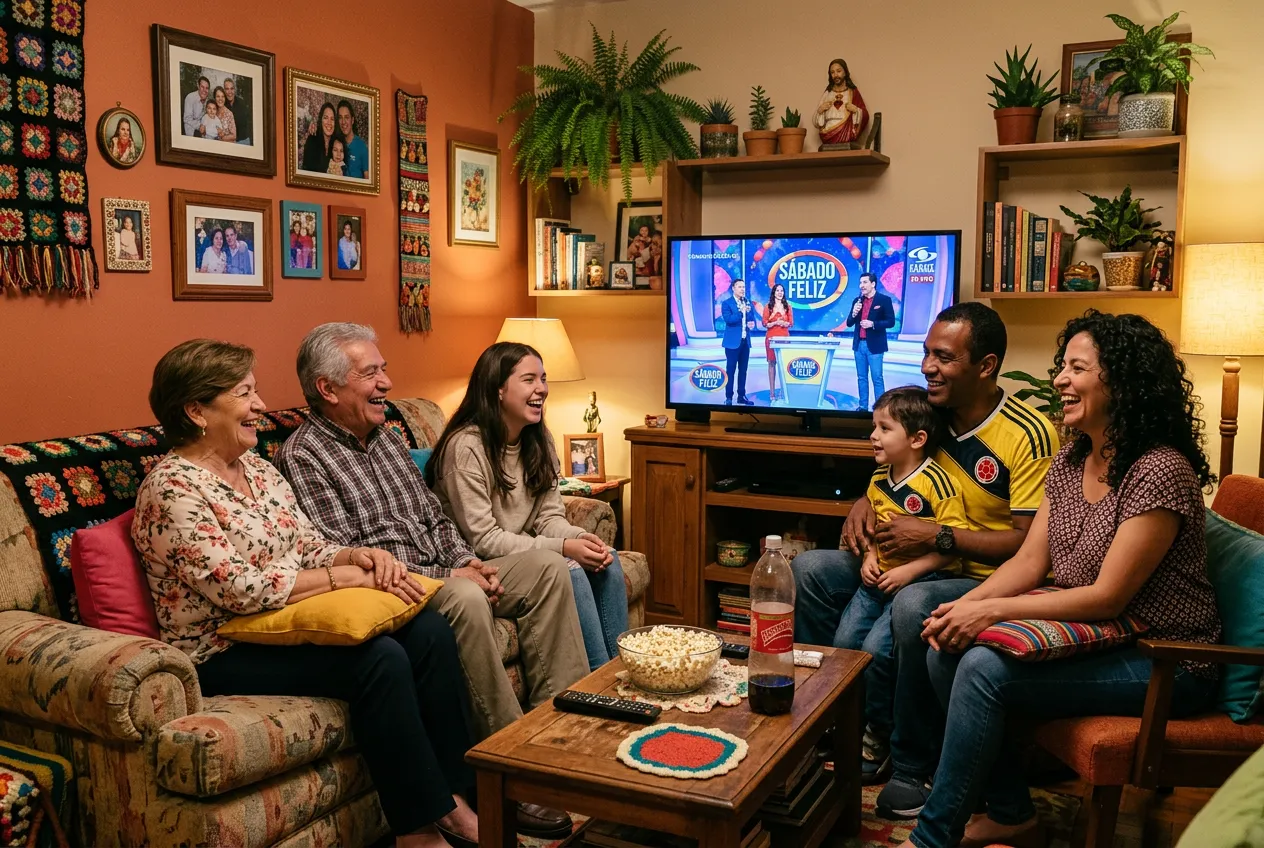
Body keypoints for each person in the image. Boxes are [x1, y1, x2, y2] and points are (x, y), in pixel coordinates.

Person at [132, 339, 479, 848]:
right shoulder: (171, 489)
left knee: (427, 630)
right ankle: (418, 830)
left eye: (255, 392)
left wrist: (355, 556)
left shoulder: (259, 470)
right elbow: (240, 589)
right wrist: (343, 579)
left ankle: (460, 795)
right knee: (378, 659)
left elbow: (307, 543)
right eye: (244, 394)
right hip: (222, 647)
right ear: (195, 410)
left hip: (285, 623)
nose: (260, 406)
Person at [896, 311, 1221, 848]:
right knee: (945, 647)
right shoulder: (1071, 459)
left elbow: (1107, 596)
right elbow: (1029, 563)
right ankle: (1009, 813)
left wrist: (990, 612)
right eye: (1061, 367)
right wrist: (961, 610)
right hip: (1098, 636)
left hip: (1164, 656)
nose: (1060, 380)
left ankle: (931, 837)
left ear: (1122, 380)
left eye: (1077, 368)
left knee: (980, 667)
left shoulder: (1159, 470)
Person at [275, 323, 585, 840]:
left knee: (550, 568)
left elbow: (437, 518)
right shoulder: (304, 457)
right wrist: (453, 574)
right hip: (392, 591)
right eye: (371, 373)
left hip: (447, 568)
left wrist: (471, 560)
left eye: (384, 370)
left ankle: (561, 735)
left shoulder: (388, 438)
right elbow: (356, 560)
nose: (387, 384)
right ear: (327, 389)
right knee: (464, 596)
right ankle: (514, 764)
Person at [791, 303, 1057, 810]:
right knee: (811, 569)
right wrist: (862, 503)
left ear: (986, 365)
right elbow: (892, 472)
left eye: (944, 357)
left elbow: (1028, 542)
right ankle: (821, 719)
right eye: (926, 354)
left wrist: (938, 538)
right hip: (903, 555)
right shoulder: (926, 413)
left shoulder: (1028, 433)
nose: (928, 367)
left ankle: (910, 762)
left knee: (914, 605)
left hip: (981, 575)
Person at [429, 342, 630, 673]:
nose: (542, 389)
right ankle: (595, 685)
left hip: (527, 555)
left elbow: (549, 516)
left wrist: (581, 538)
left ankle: (620, 674)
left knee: (607, 560)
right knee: (571, 570)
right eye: (529, 379)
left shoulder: (539, 438)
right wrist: (564, 549)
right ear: (497, 389)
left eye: (544, 378)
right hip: (482, 564)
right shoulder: (466, 447)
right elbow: (484, 540)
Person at [840, 387, 969, 785]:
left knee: (876, 655)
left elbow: (952, 546)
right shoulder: (879, 478)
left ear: (917, 439)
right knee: (844, 647)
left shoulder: (939, 484)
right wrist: (869, 557)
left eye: (884, 428)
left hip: (919, 582)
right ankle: (843, 728)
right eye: (872, 427)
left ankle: (879, 738)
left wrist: (908, 574)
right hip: (877, 582)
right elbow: (875, 529)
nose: (873, 436)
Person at [846, 272, 895, 411]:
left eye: (865, 282)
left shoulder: (884, 300)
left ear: (873, 284)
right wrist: (854, 313)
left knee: (877, 378)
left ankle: (881, 408)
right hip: (858, 345)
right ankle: (863, 406)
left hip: (875, 346)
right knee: (861, 378)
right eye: (860, 283)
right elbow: (849, 323)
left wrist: (873, 324)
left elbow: (890, 321)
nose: (861, 285)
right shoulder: (857, 301)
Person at [814, 58, 868, 146]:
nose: (835, 75)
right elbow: (816, 121)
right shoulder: (827, 93)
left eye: (838, 71)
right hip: (828, 132)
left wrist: (856, 110)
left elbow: (865, 115)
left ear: (845, 72)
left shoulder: (852, 92)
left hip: (846, 131)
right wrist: (820, 110)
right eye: (832, 72)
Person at [722, 278, 755, 405]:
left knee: (743, 370)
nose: (742, 289)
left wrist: (751, 322)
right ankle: (729, 397)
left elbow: (751, 317)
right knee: (730, 370)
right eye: (740, 287)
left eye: (744, 287)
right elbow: (729, 320)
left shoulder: (746, 302)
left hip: (745, 341)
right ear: (733, 288)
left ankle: (741, 396)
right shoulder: (727, 303)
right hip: (732, 343)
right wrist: (741, 312)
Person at [760, 282, 793, 402]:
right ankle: (772, 393)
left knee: (783, 365)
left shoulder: (788, 306)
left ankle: (783, 391)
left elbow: (791, 322)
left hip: (784, 337)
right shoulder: (768, 306)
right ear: (773, 292)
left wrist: (785, 323)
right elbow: (764, 323)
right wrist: (774, 323)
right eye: (777, 290)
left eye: (782, 291)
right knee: (772, 363)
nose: (780, 293)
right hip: (771, 337)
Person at [301, 103, 340, 173]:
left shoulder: (337, 144)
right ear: (320, 120)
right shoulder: (312, 141)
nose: (329, 123)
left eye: (332, 119)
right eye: (325, 118)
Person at [338, 100, 370, 179]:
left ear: (352, 120)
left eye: (346, 117)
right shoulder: (336, 143)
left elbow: (368, 180)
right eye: (340, 118)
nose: (343, 122)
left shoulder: (362, 146)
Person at [223, 76, 252, 145]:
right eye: (227, 89)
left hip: (243, 141)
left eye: (232, 89)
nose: (230, 92)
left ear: (234, 90)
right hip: (228, 142)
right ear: (224, 90)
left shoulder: (242, 104)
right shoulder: (222, 105)